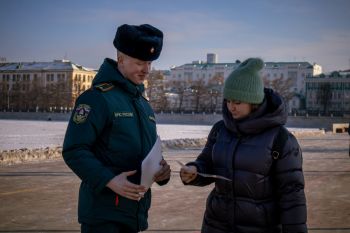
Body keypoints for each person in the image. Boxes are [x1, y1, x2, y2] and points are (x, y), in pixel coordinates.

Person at [62, 24, 171, 233]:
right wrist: (109, 180)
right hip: (104, 216)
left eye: (149, 63)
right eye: (140, 62)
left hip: (134, 213)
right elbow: (74, 150)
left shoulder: (142, 103)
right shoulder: (97, 98)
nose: (146, 69)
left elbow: (146, 153)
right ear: (121, 59)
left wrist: (161, 171)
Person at [180, 58, 308, 233]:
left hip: (260, 227)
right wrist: (194, 171)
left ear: (253, 102)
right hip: (216, 225)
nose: (231, 107)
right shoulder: (220, 130)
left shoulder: (281, 139)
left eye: (238, 102)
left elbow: (292, 194)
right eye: (228, 100)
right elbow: (207, 163)